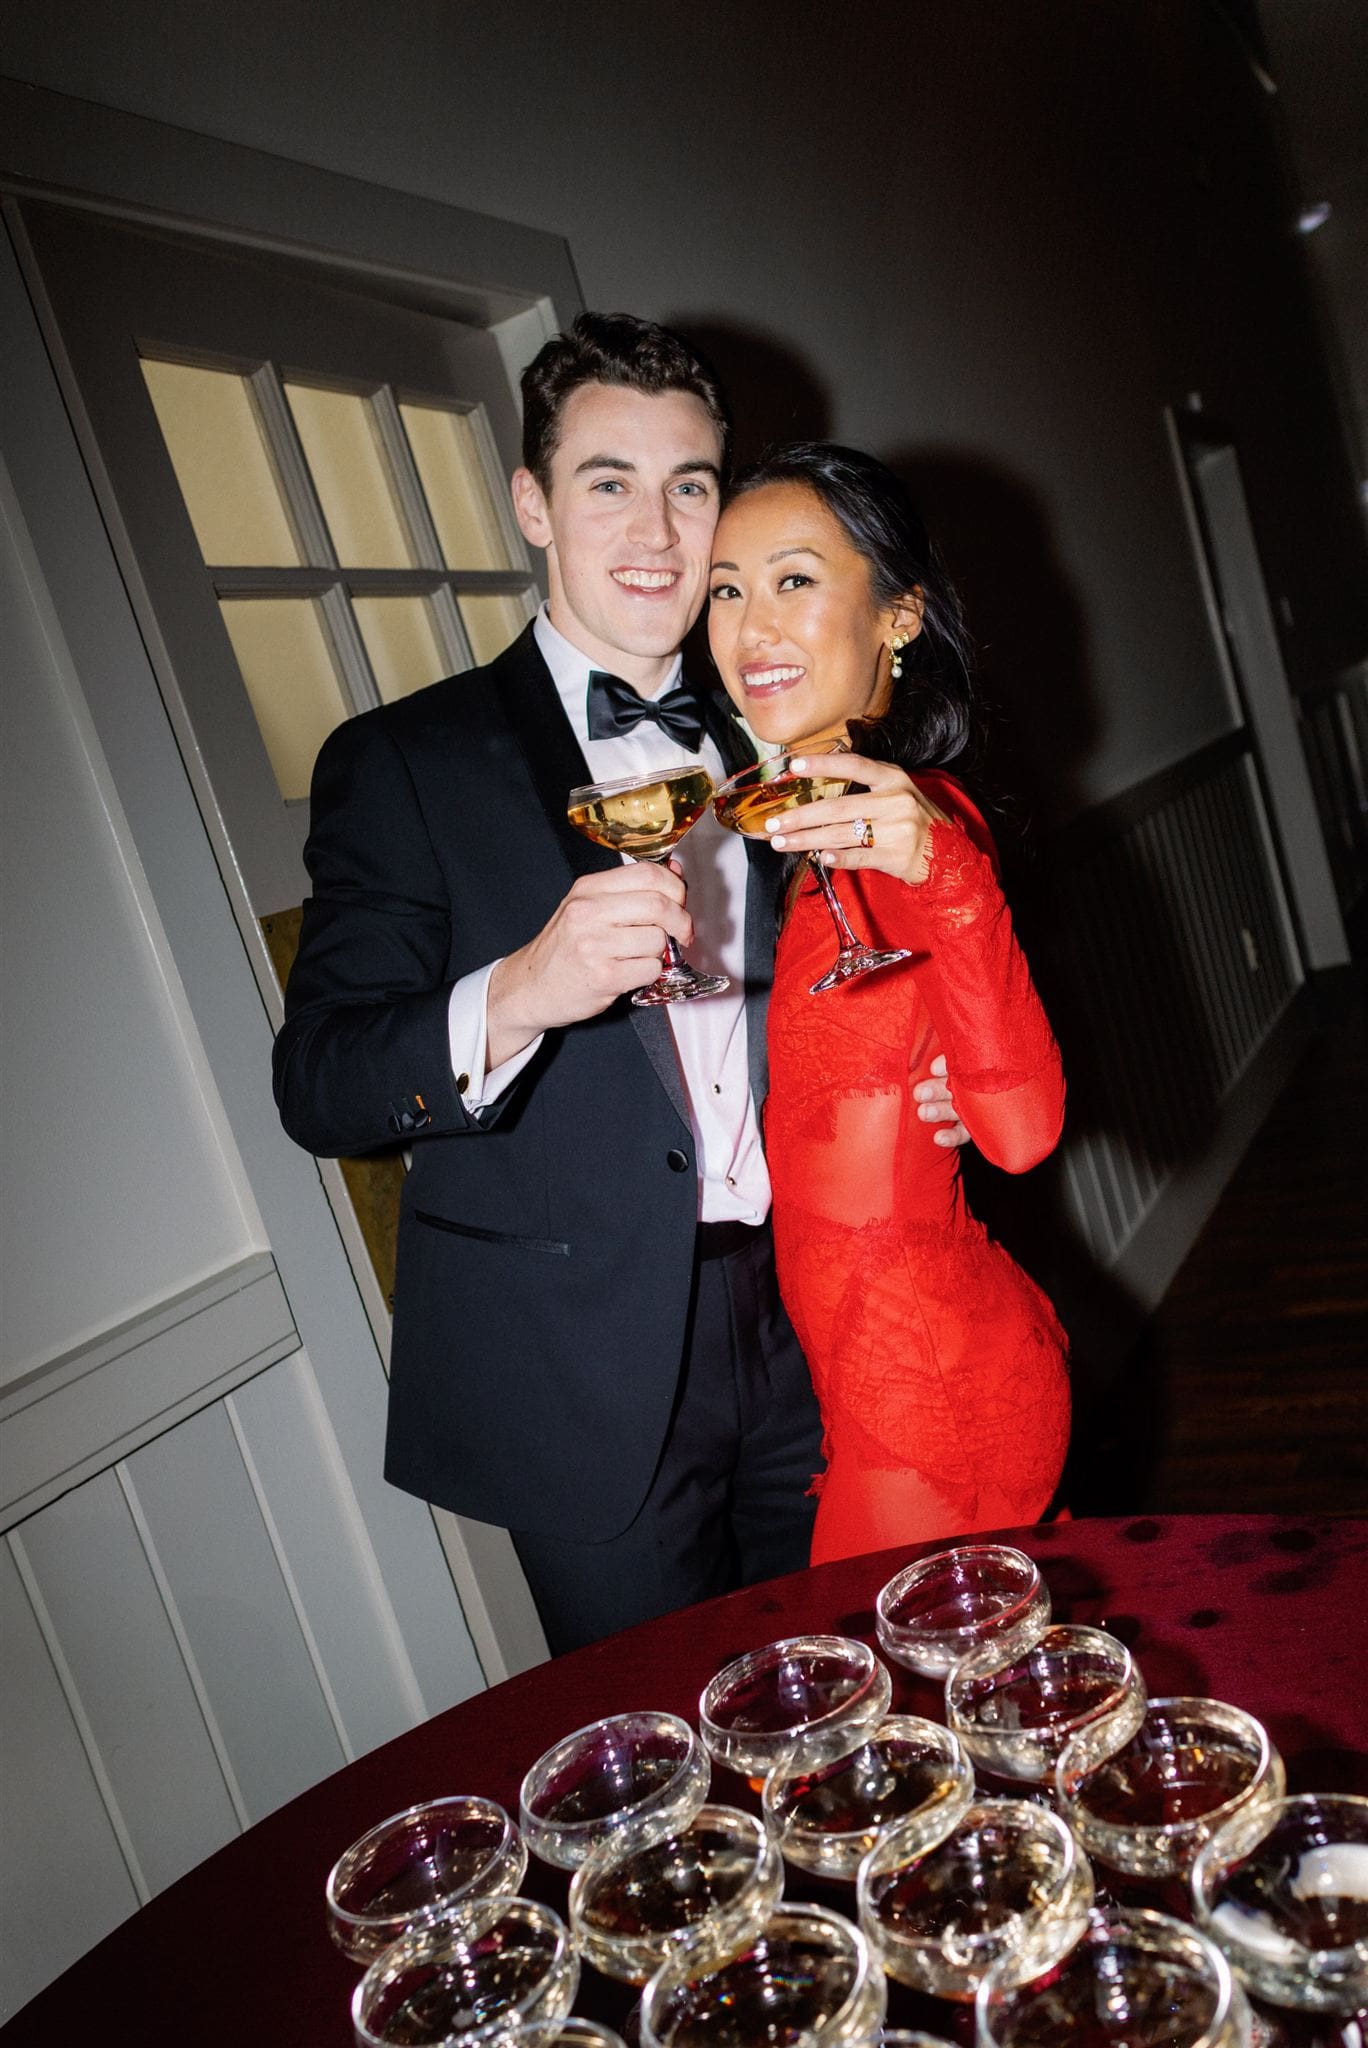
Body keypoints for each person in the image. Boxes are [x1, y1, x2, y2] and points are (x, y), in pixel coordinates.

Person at [273, 318, 966, 1654]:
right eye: (607, 482)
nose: (655, 529)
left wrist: (921, 1071)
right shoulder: (403, 764)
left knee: (864, 1690)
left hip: (822, 1312)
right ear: (533, 502)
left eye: (690, 485)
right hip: (575, 1366)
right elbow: (322, 1088)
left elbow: (866, 976)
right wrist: (522, 989)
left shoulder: (785, 724)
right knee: (665, 1756)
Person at [707, 442, 1070, 1565]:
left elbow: (1022, 1133)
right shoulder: (782, 818)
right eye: (727, 588)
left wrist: (949, 875)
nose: (751, 625)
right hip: (861, 1396)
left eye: (796, 579)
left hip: (934, 1401)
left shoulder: (916, 823)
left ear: (899, 616)